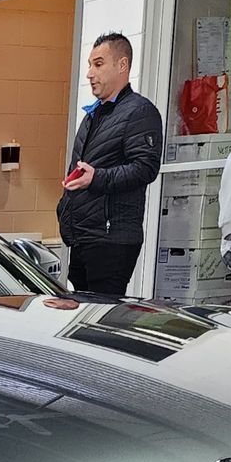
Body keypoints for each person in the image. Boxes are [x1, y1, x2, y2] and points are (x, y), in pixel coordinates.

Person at [56, 32, 163, 296]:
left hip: (110, 241)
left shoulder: (140, 112)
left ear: (122, 65)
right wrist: (64, 208)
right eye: (90, 65)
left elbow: (146, 167)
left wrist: (97, 178)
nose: (90, 73)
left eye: (99, 64)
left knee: (102, 322)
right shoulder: (94, 115)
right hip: (82, 239)